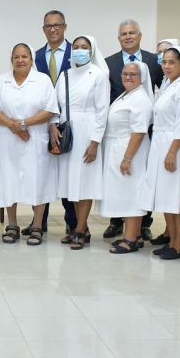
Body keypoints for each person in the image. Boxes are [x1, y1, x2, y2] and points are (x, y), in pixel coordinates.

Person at [0, 43, 59, 246]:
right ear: (11, 60)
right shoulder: (1, 80)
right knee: (9, 181)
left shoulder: (42, 80)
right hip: (7, 140)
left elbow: (50, 109)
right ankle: (12, 225)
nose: (20, 60)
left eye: (25, 56)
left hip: (34, 139)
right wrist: (13, 126)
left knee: (39, 180)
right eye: (16, 57)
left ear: (31, 59)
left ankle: (37, 226)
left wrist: (25, 124)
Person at [103, 19, 163, 240]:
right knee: (123, 187)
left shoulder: (153, 62)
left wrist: (128, 155)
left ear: (139, 35)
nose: (127, 37)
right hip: (119, 130)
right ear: (118, 38)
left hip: (136, 135)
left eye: (131, 33)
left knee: (135, 186)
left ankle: (138, 229)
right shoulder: (109, 63)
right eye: (123, 34)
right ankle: (120, 225)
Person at [50, 35, 110, 250]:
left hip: (88, 131)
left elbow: (103, 111)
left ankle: (80, 229)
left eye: (84, 47)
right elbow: (54, 105)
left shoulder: (99, 75)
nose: (79, 50)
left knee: (85, 183)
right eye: (76, 47)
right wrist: (54, 125)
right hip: (69, 132)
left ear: (92, 50)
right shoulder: (65, 74)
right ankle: (81, 228)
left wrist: (95, 141)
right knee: (73, 183)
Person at [140, 45, 180, 259]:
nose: (167, 66)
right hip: (161, 144)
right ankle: (172, 241)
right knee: (167, 197)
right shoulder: (167, 85)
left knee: (176, 198)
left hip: (175, 146)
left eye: (172, 62)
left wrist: (172, 152)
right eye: (164, 62)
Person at [101, 61, 154, 253]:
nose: (128, 77)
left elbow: (139, 132)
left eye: (133, 74)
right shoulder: (126, 95)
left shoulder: (140, 99)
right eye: (125, 74)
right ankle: (135, 235)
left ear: (142, 78)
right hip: (119, 147)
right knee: (125, 192)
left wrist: (127, 158)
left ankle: (131, 238)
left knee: (133, 193)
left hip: (131, 150)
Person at [35, 10, 77, 234]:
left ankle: (73, 224)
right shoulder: (36, 55)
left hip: (70, 122)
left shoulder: (77, 52)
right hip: (42, 121)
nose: (53, 29)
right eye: (48, 26)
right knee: (42, 171)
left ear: (65, 27)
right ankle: (39, 223)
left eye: (57, 25)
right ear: (43, 29)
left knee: (68, 173)